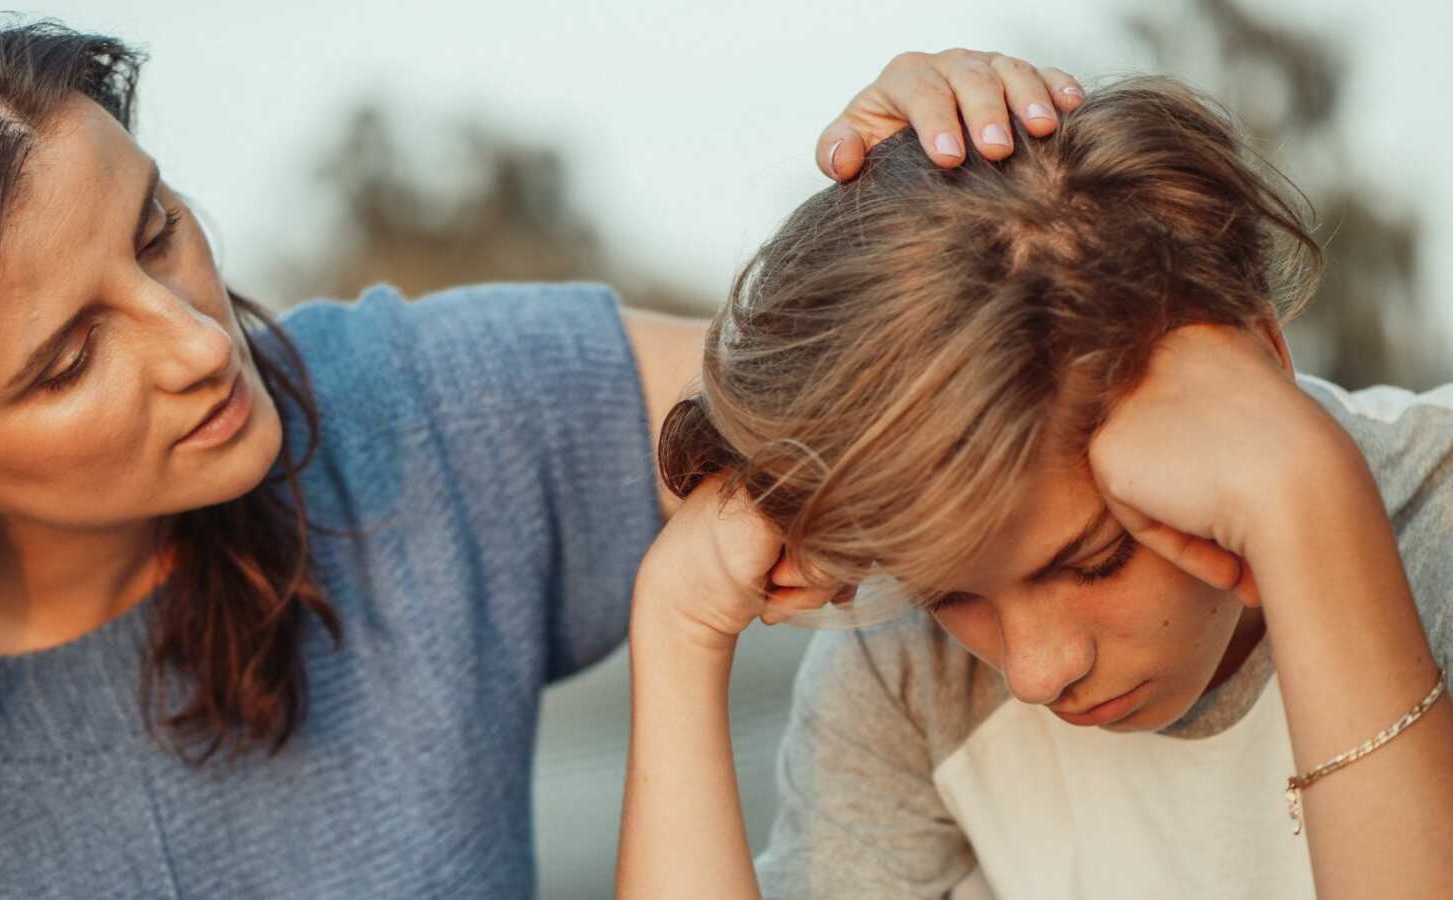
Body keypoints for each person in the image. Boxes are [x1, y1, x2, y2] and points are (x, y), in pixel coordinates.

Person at [0, 3, 1086, 896]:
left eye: (158, 229)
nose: (194, 345)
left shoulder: (423, 416)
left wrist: (955, 206)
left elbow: (914, 382)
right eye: (70, 360)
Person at [615, 76, 1453, 899]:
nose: (1035, 672)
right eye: (948, 593)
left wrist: (1312, 508)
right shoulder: (906, 678)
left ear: (1261, 362)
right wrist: (677, 628)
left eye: (1095, 561)